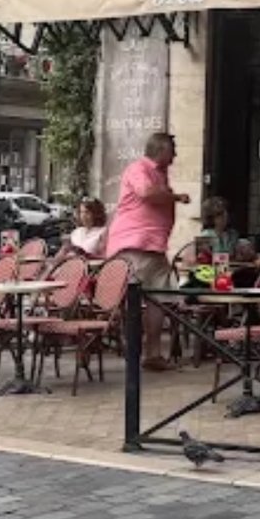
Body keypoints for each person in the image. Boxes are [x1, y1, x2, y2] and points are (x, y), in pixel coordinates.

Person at [106, 133, 191, 371]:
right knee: (134, 298)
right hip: (136, 244)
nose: (175, 156)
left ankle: (151, 352)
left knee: (159, 297)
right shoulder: (139, 168)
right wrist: (176, 197)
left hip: (152, 245)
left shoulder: (160, 174)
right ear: (161, 150)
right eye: (172, 150)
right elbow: (146, 193)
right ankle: (134, 349)